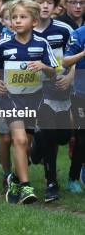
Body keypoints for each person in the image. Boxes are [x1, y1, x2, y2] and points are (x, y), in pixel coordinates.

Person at [0, 0, 58, 205]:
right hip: (10, 99)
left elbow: (54, 74)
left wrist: (44, 67)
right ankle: (26, 188)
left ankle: (15, 178)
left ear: (34, 21)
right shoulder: (3, 45)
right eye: (14, 17)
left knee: (26, 143)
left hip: (34, 100)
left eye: (23, 17)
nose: (17, 21)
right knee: (18, 140)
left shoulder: (42, 44)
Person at [26, 0, 74, 203]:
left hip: (61, 89)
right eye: (40, 2)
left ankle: (36, 146)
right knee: (48, 131)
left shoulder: (64, 30)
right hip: (35, 91)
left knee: (62, 137)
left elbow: (74, 58)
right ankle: (51, 182)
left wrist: (69, 77)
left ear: (56, 6)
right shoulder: (25, 28)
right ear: (32, 4)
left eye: (50, 2)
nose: (45, 6)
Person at [63, 24, 85, 193]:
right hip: (81, 94)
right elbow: (65, 60)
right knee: (82, 138)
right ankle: (73, 178)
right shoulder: (79, 34)